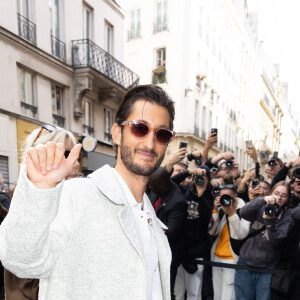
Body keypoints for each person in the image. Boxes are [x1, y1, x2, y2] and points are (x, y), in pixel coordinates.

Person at [0, 85, 176, 299]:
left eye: (162, 134)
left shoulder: (152, 223)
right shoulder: (75, 195)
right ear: (117, 134)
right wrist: (39, 189)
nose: (150, 142)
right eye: (140, 128)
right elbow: (21, 260)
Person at [3, 124, 80, 300]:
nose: (75, 163)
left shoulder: (74, 199)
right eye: (66, 155)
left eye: (77, 156)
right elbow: (24, 279)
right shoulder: (29, 205)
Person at [234, 181, 294, 300]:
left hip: (267, 267)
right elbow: (243, 212)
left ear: (288, 199)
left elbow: (277, 240)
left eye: (284, 195)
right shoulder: (261, 206)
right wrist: (262, 199)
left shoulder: (288, 216)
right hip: (246, 263)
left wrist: (270, 222)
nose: (279, 197)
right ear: (271, 193)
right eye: (277, 193)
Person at [174, 165, 213, 300]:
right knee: (177, 294)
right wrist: (188, 172)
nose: (200, 179)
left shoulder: (210, 199)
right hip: (180, 253)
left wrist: (201, 194)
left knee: (193, 295)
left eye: (204, 177)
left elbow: (205, 221)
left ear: (208, 180)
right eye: (198, 176)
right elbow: (170, 182)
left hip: (197, 255)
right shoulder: (184, 192)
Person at [148, 167, 187, 300]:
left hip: (167, 256)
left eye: (152, 185)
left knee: (164, 292)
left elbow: (171, 233)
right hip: (151, 252)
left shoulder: (178, 202)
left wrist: (149, 226)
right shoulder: (156, 189)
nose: (149, 186)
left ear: (162, 185)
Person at [209, 174, 249, 300]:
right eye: (221, 196)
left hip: (232, 259)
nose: (224, 199)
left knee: (228, 296)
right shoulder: (220, 209)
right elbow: (212, 232)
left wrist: (231, 213)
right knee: (217, 295)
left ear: (235, 196)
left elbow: (241, 234)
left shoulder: (245, 210)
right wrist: (215, 210)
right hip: (216, 257)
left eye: (227, 196)